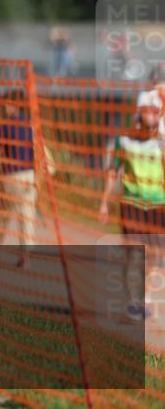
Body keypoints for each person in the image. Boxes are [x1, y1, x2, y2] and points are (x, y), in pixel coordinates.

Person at [99, 90, 165, 321]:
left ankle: (143, 297)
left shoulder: (162, 142)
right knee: (135, 253)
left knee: (155, 256)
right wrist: (104, 202)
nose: (154, 117)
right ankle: (133, 302)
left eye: (157, 113)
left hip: (157, 206)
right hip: (132, 204)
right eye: (150, 112)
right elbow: (112, 171)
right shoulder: (124, 140)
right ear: (140, 113)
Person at [0, 91, 44, 268]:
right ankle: (26, 257)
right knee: (27, 217)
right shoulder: (31, 125)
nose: (5, 107)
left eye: (8, 103)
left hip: (12, 175)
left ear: (14, 105)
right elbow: (38, 151)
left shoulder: (5, 125)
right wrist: (37, 177)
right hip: (29, 175)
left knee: (4, 213)